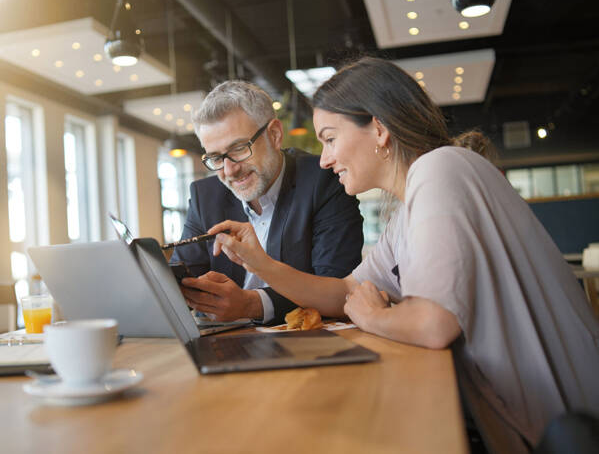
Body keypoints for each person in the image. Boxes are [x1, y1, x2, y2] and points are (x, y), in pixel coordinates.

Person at [206, 58, 599, 452]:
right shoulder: (408, 207)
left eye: (330, 138)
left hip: (560, 428)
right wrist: (262, 264)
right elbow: (344, 289)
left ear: (378, 128)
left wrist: (373, 315)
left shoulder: (440, 168)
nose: (324, 159)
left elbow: (433, 324)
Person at [171, 80, 364, 325]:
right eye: (216, 157)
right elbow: (180, 278)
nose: (229, 170)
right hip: (229, 346)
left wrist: (251, 304)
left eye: (239, 148)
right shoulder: (205, 196)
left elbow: (339, 290)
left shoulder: (324, 181)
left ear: (274, 134)